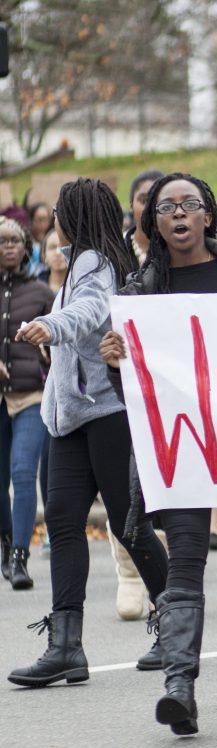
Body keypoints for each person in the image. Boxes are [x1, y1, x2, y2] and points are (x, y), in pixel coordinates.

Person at [99, 172, 217, 736]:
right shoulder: (138, 296)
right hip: (181, 449)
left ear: (209, 215)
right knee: (184, 559)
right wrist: (117, 366)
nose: (179, 213)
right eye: (166, 206)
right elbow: (132, 396)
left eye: (190, 204)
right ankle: (179, 684)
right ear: (152, 222)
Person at [7, 178, 169, 688]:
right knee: (61, 521)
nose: (51, 217)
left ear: (74, 215)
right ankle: (65, 646)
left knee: (129, 523)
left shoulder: (99, 262)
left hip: (106, 413)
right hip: (69, 418)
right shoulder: (76, 263)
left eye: (58, 210)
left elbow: (92, 312)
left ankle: (175, 621)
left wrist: (49, 327)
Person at [0, 217, 54, 591]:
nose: (9, 247)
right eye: (2, 241)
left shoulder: (40, 292)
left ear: (25, 247)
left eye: (15, 240)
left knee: (23, 474)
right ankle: (6, 543)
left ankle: (20, 555)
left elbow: (59, 338)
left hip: (30, 396)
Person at [125, 168, 165, 268]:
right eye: (144, 200)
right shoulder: (115, 252)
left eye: (159, 201)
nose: (151, 207)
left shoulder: (182, 251)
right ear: (131, 205)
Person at [25, 202, 52, 279]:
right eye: (40, 220)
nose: (43, 224)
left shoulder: (52, 239)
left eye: (46, 219)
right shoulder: (27, 243)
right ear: (31, 221)